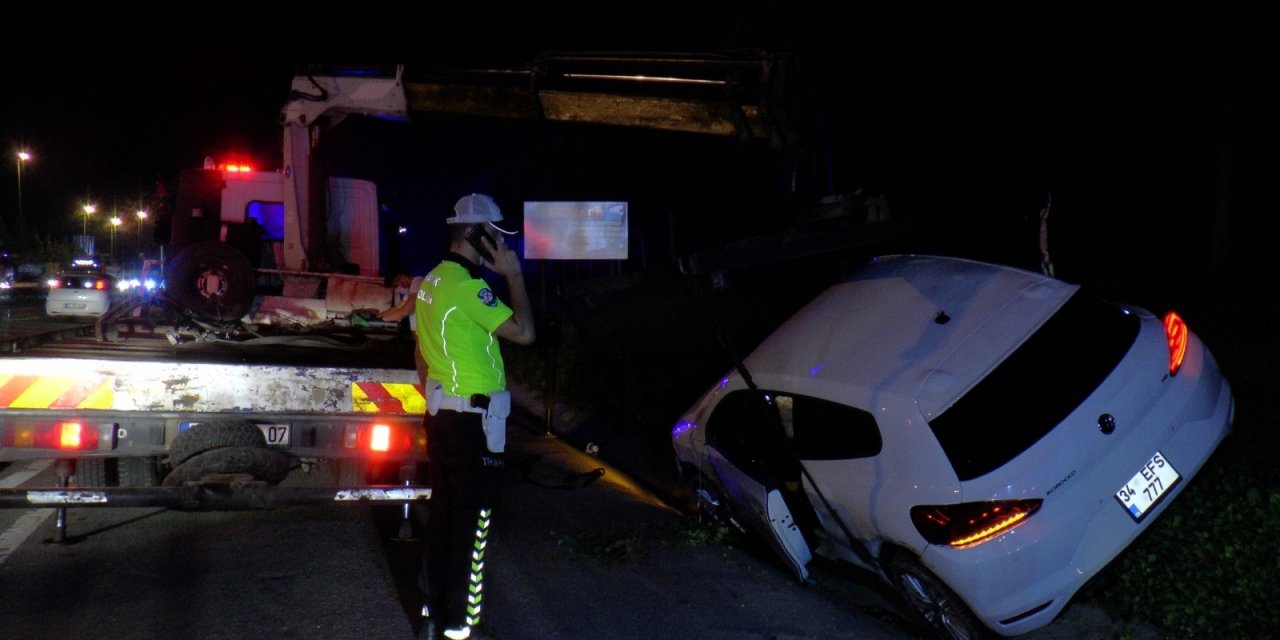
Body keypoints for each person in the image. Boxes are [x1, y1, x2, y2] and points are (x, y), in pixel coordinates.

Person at [416, 193, 535, 640]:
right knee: (475, 525)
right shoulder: (468, 286)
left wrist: (434, 397)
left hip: (444, 416)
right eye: (496, 234)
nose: (502, 244)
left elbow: (420, 353)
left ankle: (433, 616)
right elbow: (524, 333)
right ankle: (459, 627)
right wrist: (515, 276)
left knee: (445, 518)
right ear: (474, 234)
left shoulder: (432, 280)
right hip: (472, 426)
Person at [379, 271, 427, 385]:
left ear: (400, 278)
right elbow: (398, 308)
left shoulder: (417, 281)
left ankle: (428, 394)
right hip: (418, 333)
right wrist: (379, 317)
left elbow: (405, 310)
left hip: (423, 334)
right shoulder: (411, 290)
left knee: (423, 366)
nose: (399, 288)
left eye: (397, 285)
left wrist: (383, 320)